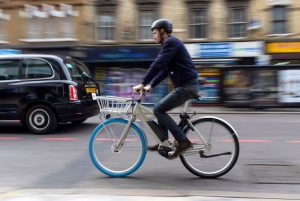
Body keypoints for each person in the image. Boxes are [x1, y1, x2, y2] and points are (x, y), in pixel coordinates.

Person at [133, 19, 199, 159]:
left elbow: (158, 64)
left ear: (162, 31)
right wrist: (151, 85)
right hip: (186, 86)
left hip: (187, 87)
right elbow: (164, 70)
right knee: (160, 108)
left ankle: (183, 141)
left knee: (158, 109)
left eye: (155, 32)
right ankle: (163, 141)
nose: (153, 35)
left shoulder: (171, 43)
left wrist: (143, 82)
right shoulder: (170, 44)